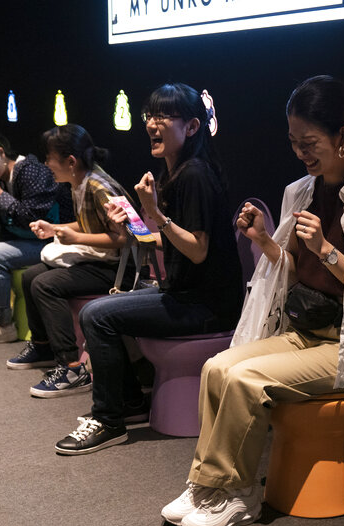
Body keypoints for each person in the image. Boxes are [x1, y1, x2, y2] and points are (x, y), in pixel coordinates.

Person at [161, 75, 344, 526]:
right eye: (294, 143)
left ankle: (238, 493)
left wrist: (329, 252)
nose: (302, 153)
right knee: (217, 367)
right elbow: (292, 268)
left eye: (310, 142)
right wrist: (262, 241)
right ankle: (206, 484)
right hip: (303, 330)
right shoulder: (302, 191)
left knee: (246, 378)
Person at [54, 82, 243, 455]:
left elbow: (199, 251)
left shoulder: (195, 175)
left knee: (97, 315)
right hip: (186, 294)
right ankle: (128, 402)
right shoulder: (178, 171)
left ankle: (109, 420)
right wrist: (134, 225)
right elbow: (169, 241)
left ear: (190, 127)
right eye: (150, 116)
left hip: (204, 306)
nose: (152, 124)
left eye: (163, 116)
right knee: (111, 307)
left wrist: (154, 214)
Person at [6, 124, 132, 398]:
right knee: (31, 277)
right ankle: (42, 346)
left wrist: (74, 238)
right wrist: (56, 229)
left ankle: (72, 367)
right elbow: (89, 224)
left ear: (70, 161)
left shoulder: (100, 186)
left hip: (117, 268)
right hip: (98, 259)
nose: (46, 164)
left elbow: (124, 239)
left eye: (49, 157)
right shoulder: (79, 181)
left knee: (45, 284)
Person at [0, 130, 72, 345]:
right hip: (22, 237)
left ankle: (1, 325)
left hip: (48, 239)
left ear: (0, 153)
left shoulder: (30, 172)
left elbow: (32, 218)